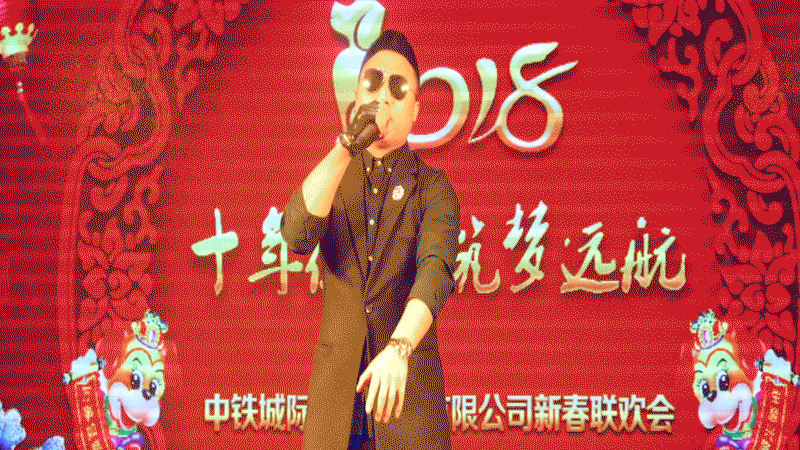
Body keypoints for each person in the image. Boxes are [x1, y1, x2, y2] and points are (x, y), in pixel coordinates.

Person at [281, 30, 460, 450]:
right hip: (336, 404)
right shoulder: (334, 176)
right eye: (373, 82)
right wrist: (347, 145)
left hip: (406, 399)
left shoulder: (433, 187)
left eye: (398, 89)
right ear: (357, 95)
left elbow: (436, 270)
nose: (383, 96)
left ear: (416, 109)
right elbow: (296, 234)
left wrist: (400, 347)